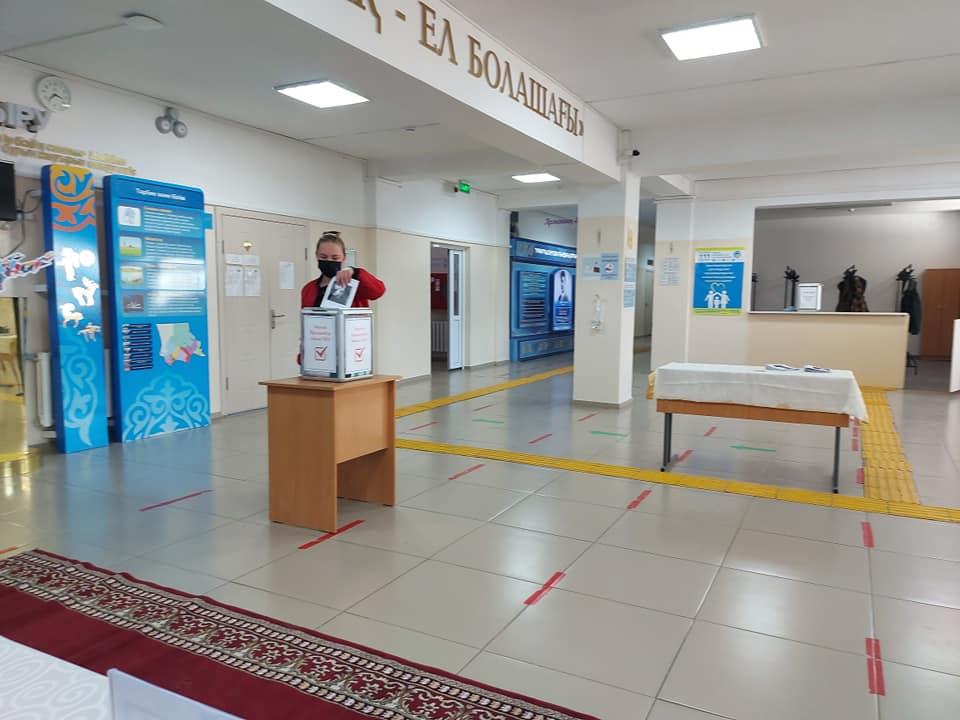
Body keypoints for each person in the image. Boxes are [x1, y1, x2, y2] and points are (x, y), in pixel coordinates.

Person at [300, 231, 386, 309]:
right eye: (323, 257)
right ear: (316, 256)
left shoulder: (354, 283)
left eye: (335, 258)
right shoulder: (308, 289)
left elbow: (378, 291)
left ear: (344, 257)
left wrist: (355, 272)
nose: (329, 260)